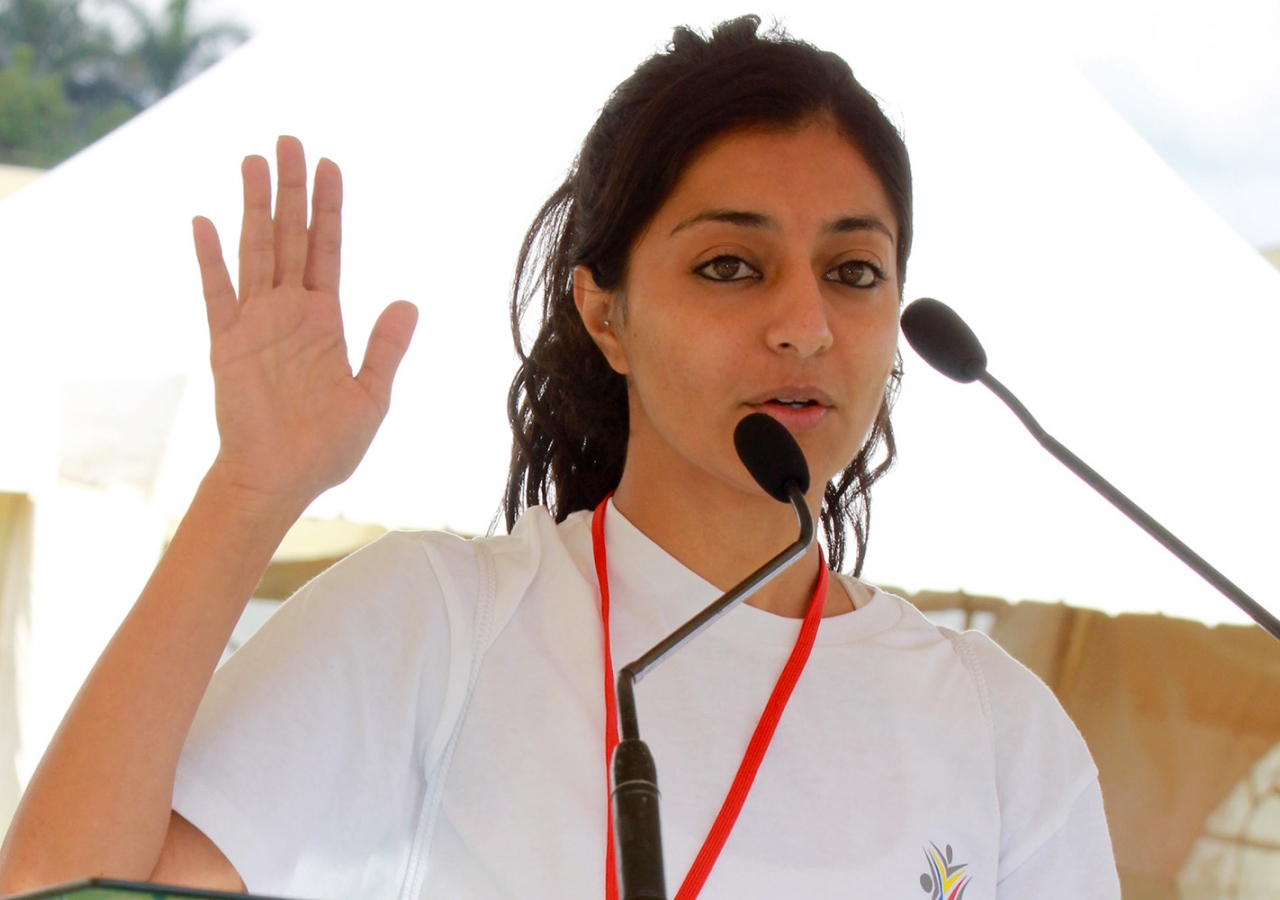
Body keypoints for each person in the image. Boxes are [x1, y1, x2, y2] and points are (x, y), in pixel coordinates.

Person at [0, 16, 1121, 900]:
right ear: (605, 314)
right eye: (729, 265)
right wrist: (252, 490)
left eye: (853, 271)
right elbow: (60, 886)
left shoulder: (1001, 732)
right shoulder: (439, 623)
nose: (803, 325)